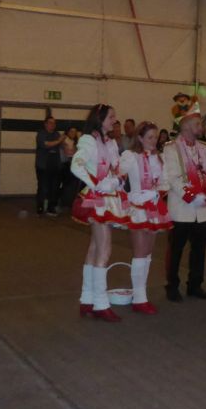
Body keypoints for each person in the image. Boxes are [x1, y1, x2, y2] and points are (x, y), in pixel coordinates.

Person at [70, 104, 129, 323]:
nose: (115, 120)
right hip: (97, 199)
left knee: (95, 247)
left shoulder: (111, 142)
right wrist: (96, 184)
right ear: (100, 119)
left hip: (108, 197)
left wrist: (117, 180)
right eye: (111, 117)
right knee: (104, 249)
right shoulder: (88, 140)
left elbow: (117, 168)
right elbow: (76, 165)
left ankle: (87, 299)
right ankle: (101, 303)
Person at [163, 101, 206, 301]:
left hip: (202, 209)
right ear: (185, 125)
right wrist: (191, 196)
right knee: (175, 249)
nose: (201, 127)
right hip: (181, 208)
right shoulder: (171, 149)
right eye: (197, 123)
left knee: (199, 250)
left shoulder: (204, 148)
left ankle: (195, 284)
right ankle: (172, 285)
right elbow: (172, 178)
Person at [119, 121, 173, 315]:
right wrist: (125, 196)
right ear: (140, 138)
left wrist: (157, 191)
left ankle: (141, 295)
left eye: (155, 137)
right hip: (137, 206)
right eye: (150, 137)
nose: (154, 140)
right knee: (140, 252)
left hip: (154, 206)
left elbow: (166, 181)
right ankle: (139, 298)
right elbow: (118, 175)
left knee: (148, 253)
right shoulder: (130, 156)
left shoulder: (159, 158)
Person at [35, 116, 64, 216]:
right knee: (43, 187)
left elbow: (62, 146)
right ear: (45, 124)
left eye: (54, 123)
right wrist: (59, 141)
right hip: (43, 166)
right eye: (50, 123)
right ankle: (40, 207)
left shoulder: (57, 134)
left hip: (55, 165)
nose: (53, 125)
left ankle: (51, 208)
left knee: (54, 187)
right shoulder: (41, 134)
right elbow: (46, 144)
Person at [57, 125, 80, 210]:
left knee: (71, 184)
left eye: (75, 132)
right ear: (67, 132)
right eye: (71, 131)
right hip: (65, 164)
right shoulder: (64, 139)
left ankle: (69, 202)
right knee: (66, 184)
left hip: (72, 164)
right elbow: (68, 152)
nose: (73, 133)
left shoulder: (75, 141)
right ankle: (64, 202)